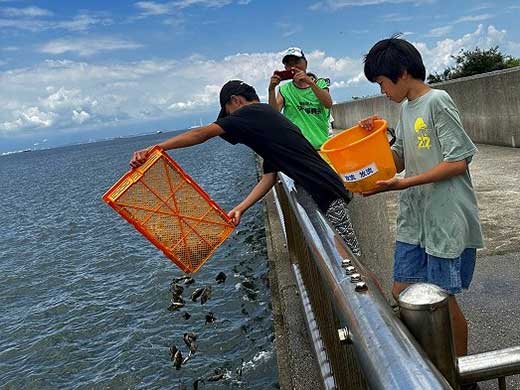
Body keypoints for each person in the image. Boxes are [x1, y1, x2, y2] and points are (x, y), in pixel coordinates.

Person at [360, 36, 484, 366]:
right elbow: (398, 158)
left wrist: (401, 185)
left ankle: (460, 371)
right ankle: (427, 366)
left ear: (401, 73)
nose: (383, 91)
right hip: (416, 219)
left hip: (444, 215)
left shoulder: (437, 101)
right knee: (403, 291)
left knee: (441, 300)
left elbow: (458, 161)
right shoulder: (404, 110)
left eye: (383, 83)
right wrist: (371, 139)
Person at [130, 80, 361, 256]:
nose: (230, 120)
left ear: (236, 101)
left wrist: (157, 147)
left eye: (228, 113)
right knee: (342, 258)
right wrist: (241, 207)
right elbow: (269, 178)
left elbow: (201, 133)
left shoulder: (250, 113)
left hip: (327, 193)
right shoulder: (267, 121)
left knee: (350, 262)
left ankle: (381, 313)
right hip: (324, 190)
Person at [268, 47, 332, 150]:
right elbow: (273, 115)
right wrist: (271, 90)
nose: (293, 67)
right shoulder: (284, 90)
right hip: (296, 149)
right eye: (289, 64)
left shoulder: (320, 83)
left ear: (305, 63)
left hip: (321, 147)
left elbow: (328, 103)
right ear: (285, 68)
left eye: (297, 61)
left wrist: (310, 82)